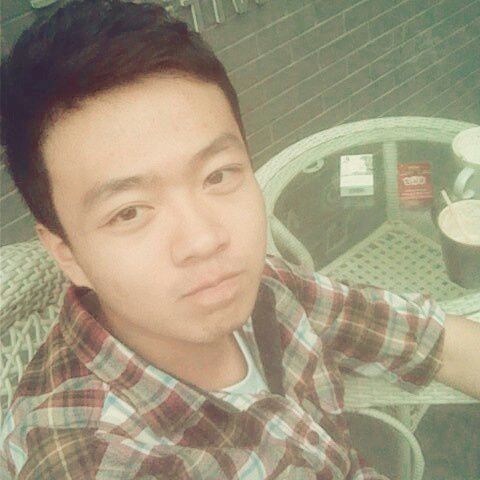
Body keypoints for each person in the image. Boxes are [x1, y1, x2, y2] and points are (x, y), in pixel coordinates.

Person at [0, 1, 479, 478]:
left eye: (218, 175)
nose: (205, 239)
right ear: (67, 254)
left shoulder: (269, 288)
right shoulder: (91, 457)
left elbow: (433, 339)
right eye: (129, 212)